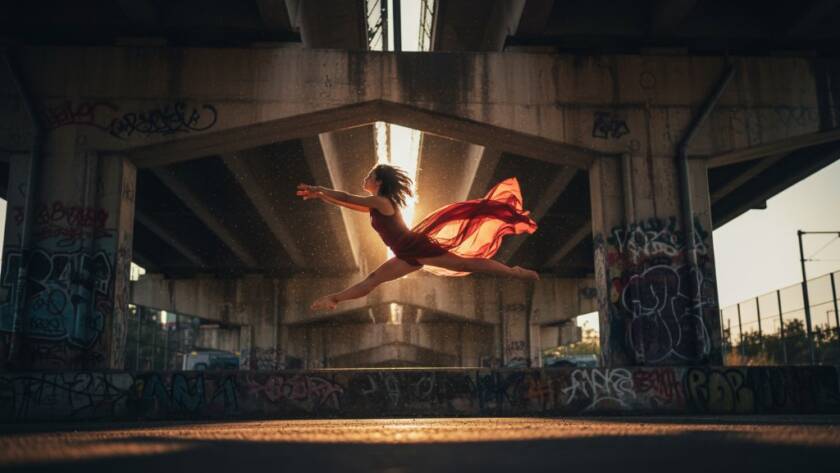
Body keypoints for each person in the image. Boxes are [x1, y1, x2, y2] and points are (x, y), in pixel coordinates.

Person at [296, 163, 539, 311]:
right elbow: (348, 204)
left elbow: (348, 197)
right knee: (372, 280)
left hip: (414, 246)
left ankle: (514, 272)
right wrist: (322, 197)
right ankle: (334, 299)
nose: (365, 179)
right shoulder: (375, 204)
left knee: (464, 263)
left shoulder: (380, 201)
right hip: (405, 254)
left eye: (369, 176)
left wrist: (320, 189)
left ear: (378, 182)